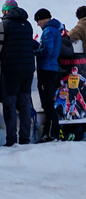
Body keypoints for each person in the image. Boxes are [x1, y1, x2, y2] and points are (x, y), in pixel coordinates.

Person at [0, 2, 36, 146]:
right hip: (29, 68)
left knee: (9, 103)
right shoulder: (28, 24)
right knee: (24, 103)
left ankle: (11, 139)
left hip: (11, 69)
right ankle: (25, 139)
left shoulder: (4, 25)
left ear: (6, 11)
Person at [35, 8, 63, 142]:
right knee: (49, 102)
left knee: (47, 103)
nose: (37, 24)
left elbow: (47, 51)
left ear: (43, 18)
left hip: (46, 69)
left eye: (38, 20)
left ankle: (52, 133)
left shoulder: (48, 31)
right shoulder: (56, 30)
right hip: (53, 69)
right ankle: (49, 131)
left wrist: (36, 51)